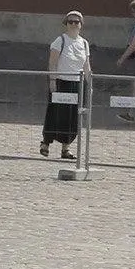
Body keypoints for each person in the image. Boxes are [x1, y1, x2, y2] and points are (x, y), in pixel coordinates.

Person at [40, 10, 90, 159]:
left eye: (76, 22)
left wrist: (89, 83)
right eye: (70, 22)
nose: (73, 24)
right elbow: (52, 62)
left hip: (77, 83)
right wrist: (52, 80)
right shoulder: (60, 40)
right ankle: (45, 143)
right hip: (61, 81)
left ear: (81, 24)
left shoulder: (84, 43)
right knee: (55, 113)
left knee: (73, 116)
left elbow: (86, 65)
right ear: (66, 24)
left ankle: (66, 148)